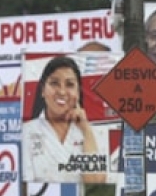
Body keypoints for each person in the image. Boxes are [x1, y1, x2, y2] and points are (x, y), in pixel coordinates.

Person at [21, 56, 105, 184]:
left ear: (78, 92)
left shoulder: (91, 133)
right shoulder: (26, 133)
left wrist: (86, 129)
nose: (61, 91)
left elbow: (96, 182)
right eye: (54, 83)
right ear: (43, 90)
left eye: (70, 85)